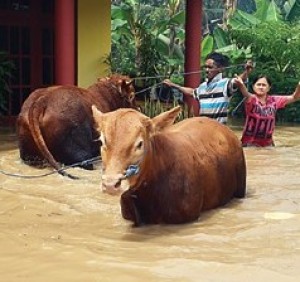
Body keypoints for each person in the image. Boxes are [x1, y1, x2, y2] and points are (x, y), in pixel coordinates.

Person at [163, 52, 253, 124]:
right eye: (205, 67)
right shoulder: (203, 86)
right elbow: (192, 92)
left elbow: (238, 80)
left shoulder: (225, 84)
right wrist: (173, 85)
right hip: (204, 130)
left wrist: (246, 72)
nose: (206, 70)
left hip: (218, 130)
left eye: (210, 67)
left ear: (220, 69)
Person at [234, 75, 300, 147]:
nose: (261, 87)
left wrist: (299, 86)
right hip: (249, 144)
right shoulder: (251, 99)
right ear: (253, 87)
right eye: (258, 85)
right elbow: (246, 94)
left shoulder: (274, 100)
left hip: (268, 145)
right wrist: (241, 85)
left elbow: (294, 97)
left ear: (269, 88)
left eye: (264, 85)